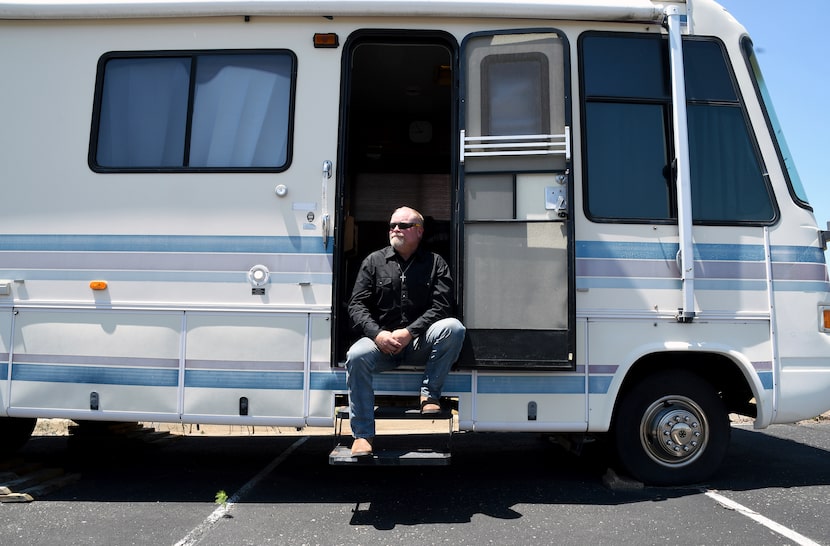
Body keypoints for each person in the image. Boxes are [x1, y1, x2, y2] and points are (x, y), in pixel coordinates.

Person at [345, 206, 466, 457]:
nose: (395, 229)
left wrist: (410, 332)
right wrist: (378, 334)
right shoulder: (374, 261)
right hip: (381, 343)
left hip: (419, 342)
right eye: (392, 226)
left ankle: (429, 396)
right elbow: (356, 305)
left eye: (403, 225)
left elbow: (442, 306)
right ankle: (362, 436)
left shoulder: (436, 263)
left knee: (453, 328)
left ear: (419, 231)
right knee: (356, 356)